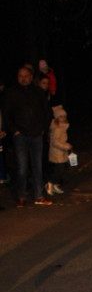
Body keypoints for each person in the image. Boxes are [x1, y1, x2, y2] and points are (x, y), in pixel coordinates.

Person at [3, 65, 52, 206]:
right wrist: (14, 130)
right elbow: (7, 113)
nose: (23, 79)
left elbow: (46, 112)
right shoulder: (12, 93)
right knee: (22, 167)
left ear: (31, 77)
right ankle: (21, 196)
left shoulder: (38, 92)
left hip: (36, 134)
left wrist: (43, 128)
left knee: (37, 167)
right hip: (21, 135)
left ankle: (39, 195)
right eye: (20, 76)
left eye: (26, 76)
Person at [46, 106, 72, 195]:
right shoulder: (57, 128)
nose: (63, 118)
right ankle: (50, 183)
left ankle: (55, 184)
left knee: (61, 169)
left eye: (64, 116)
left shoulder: (63, 128)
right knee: (58, 170)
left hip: (62, 152)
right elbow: (55, 142)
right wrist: (65, 146)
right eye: (61, 117)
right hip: (57, 153)